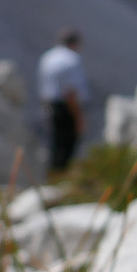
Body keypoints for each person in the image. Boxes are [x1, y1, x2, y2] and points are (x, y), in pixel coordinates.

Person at [37, 28, 89, 172]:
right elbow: (70, 92)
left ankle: (52, 175)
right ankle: (62, 176)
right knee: (67, 145)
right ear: (74, 43)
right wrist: (79, 117)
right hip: (67, 107)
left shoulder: (47, 58)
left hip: (50, 106)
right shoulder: (72, 59)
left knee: (54, 143)